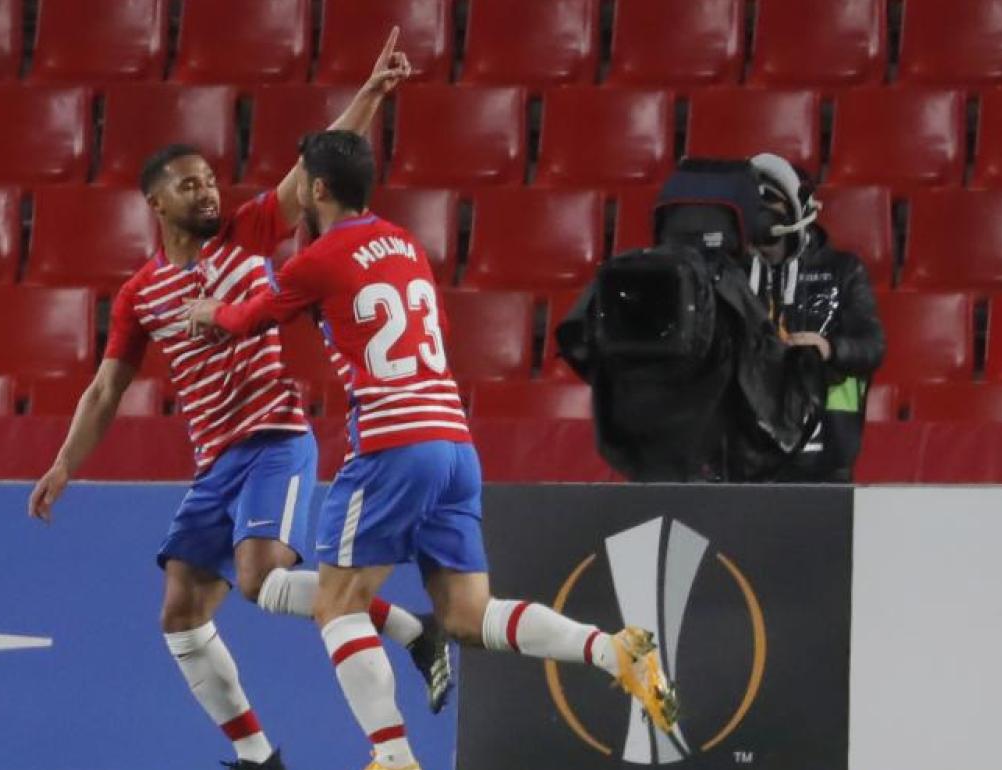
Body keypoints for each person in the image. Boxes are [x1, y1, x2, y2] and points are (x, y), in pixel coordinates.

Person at [183, 130, 678, 770]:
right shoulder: (406, 244)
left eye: (301, 177)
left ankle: (392, 757)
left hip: (393, 444)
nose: (296, 187)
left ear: (319, 189)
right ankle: (616, 651)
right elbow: (435, 332)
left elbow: (249, 319)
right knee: (469, 616)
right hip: (453, 442)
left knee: (338, 602)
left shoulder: (315, 261)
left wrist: (207, 313)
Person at [27, 31, 451, 770]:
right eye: (189, 185)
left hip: (276, 438)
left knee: (258, 579)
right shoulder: (140, 295)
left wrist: (373, 94)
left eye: (211, 181)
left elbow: (312, 171)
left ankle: (413, 632)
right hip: (213, 461)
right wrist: (64, 465)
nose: (208, 193)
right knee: (181, 616)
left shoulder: (246, 234)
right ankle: (258, 758)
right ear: (155, 201)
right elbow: (105, 389)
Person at [746, 153, 886, 482]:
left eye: (772, 201)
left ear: (800, 206)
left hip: (826, 456)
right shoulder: (737, 273)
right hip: (748, 459)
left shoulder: (843, 270)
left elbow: (872, 347)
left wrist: (827, 348)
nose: (761, 214)